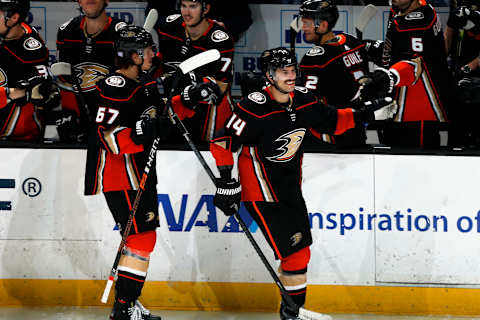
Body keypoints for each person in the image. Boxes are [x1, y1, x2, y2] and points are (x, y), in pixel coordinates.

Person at [209, 47, 392, 320]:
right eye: (284, 72)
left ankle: (291, 313)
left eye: (293, 70)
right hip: (263, 192)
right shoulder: (253, 106)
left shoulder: (303, 99)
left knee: (300, 253)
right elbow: (222, 142)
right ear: (270, 75)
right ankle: (292, 315)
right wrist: (226, 182)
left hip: (290, 188)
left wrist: (367, 112)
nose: (291, 76)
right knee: (295, 252)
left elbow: (333, 122)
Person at [84, 25, 220, 320]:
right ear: (132, 55)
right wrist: (141, 130)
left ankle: (127, 304)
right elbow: (107, 137)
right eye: (146, 51)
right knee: (141, 239)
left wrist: (189, 97)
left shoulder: (141, 86)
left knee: (139, 239)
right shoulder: (114, 86)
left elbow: (162, 116)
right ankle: (124, 309)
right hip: (120, 174)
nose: (153, 55)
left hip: (140, 173)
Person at [369, 0, 452, 147]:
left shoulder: (416, 22)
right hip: (399, 105)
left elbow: (416, 63)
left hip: (417, 107)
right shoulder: (406, 11)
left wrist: (389, 77)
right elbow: (398, 52)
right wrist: (373, 48)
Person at [156, 0, 235, 143]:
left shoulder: (220, 40)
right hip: (174, 107)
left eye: (193, 7)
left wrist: (190, 95)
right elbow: (161, 63)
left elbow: (220, 86)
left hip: (208, 110)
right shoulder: (168, 27)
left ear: (205, 9)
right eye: (183, 6)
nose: (186, 12)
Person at [298, 0, 370, 148]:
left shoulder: (315, 58)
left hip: (330, 135)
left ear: (323, 25)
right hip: (356, 128)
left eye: (307, 23)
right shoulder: (352, 41)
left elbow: (307, 102)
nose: (303, 28)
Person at [55, 0, 127, 142]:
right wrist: (69, 114)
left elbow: (129, 81)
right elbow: (64, 79)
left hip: (113, 122)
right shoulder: (66, 31)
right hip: (78, 121)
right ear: (79, 1)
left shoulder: (121, 33)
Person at [0, 0, 57, 141]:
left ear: (13, 18)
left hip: (16, 136)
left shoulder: (30, 50)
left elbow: (43, 95)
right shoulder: (8, 33)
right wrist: (11, 93)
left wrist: (40, 91)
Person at [444, 0, 480, 145]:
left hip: (475, 77)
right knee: (456, 134)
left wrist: (468, 68)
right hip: (457, 75)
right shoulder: (456, 11)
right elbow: (447, 40)